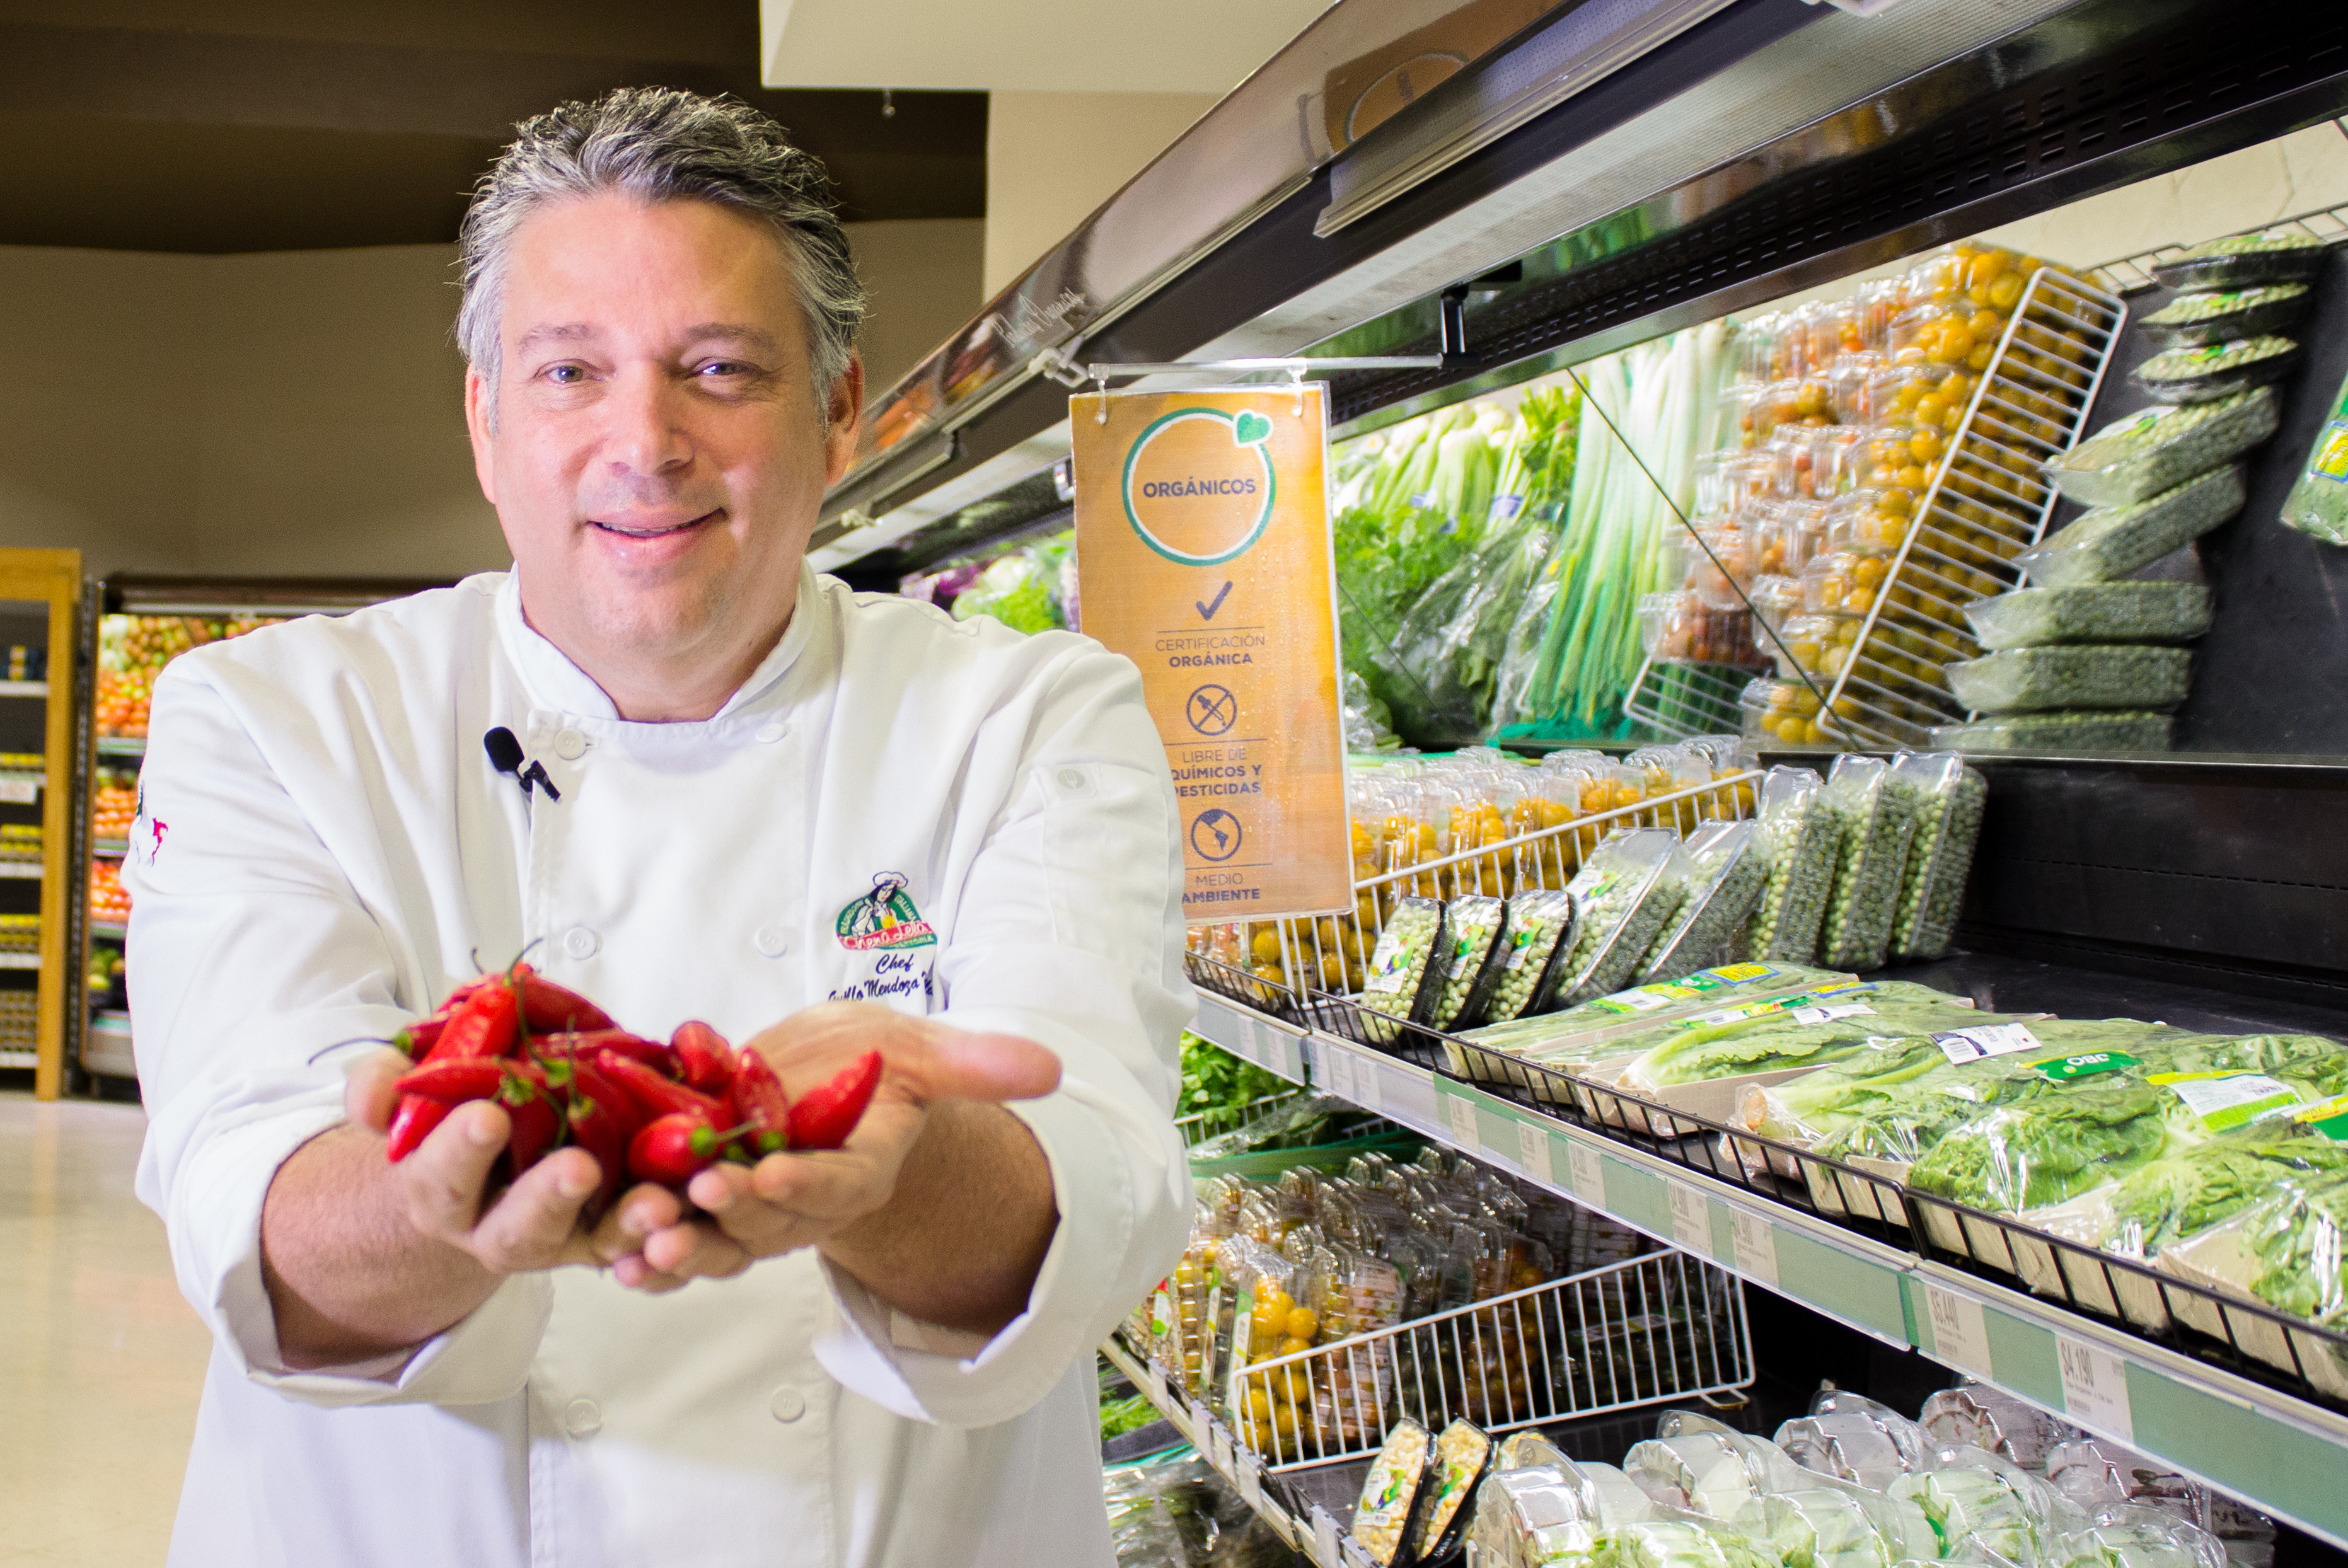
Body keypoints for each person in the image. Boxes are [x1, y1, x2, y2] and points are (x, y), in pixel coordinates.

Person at [130, 86, 1193, 1567]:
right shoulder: (271, 719)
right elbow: (246, 1202)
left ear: (837, 411)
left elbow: (1101, 1194)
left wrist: (888, 1156)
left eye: (720, 368)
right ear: (487, 416)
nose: (647, 439)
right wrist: (444, 1189)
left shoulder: (1034, 716)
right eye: (571, 370)